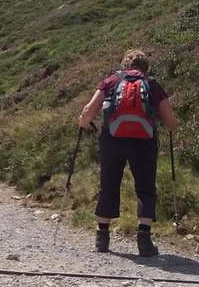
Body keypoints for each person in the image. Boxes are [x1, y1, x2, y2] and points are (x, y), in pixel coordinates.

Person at [77, 48, 179, 257]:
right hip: (144, 142)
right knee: (145, 187)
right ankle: (144, 240)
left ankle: (102, 238)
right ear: (145, 67)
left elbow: (88, 111)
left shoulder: (111, 81)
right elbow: (171, 122)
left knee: (109, 184)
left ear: (125, 65)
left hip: (112, 139)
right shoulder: (152, 85)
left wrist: (83, 124)